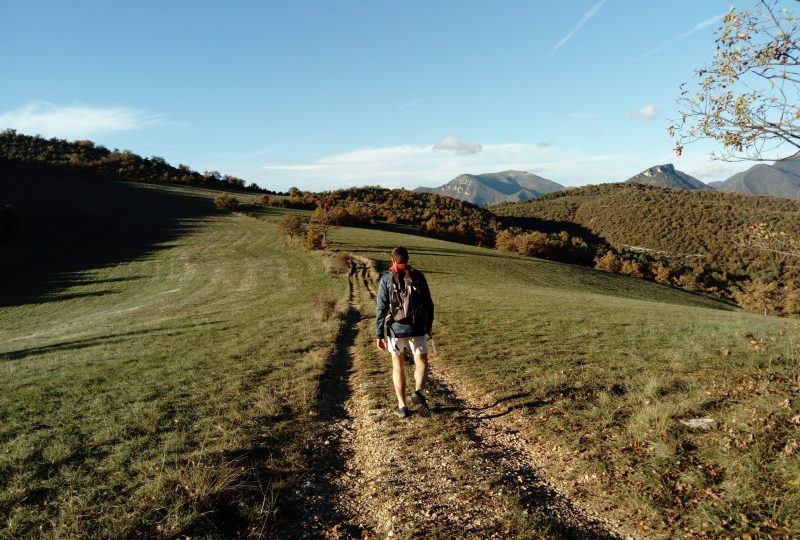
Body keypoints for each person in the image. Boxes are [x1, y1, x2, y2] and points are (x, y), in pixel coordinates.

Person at [375, 246, 435, 418]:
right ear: (408, 259)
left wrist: (379, 334)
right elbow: (429, 303)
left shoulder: (386, 278)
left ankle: (402, 406)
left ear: (392, 260)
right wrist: (428, 325)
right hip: (417, 327)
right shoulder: (418, 276)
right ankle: (419, 392)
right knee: (421, 361)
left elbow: (381, 308)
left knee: (398, 365)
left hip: (395, 329)